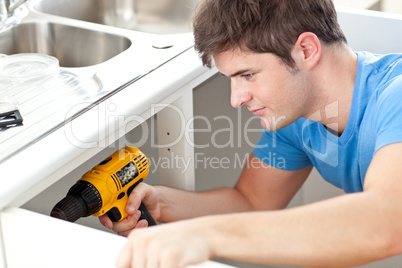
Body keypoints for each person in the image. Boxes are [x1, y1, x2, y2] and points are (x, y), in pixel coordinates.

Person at [100, 0, 402, 267]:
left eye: (248, 75)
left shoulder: (396, 96)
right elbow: (252, 201)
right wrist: (161, 203)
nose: (236, 99)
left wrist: (207, 236)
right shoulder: (296, 116)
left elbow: (387, 221)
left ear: (306, 50)